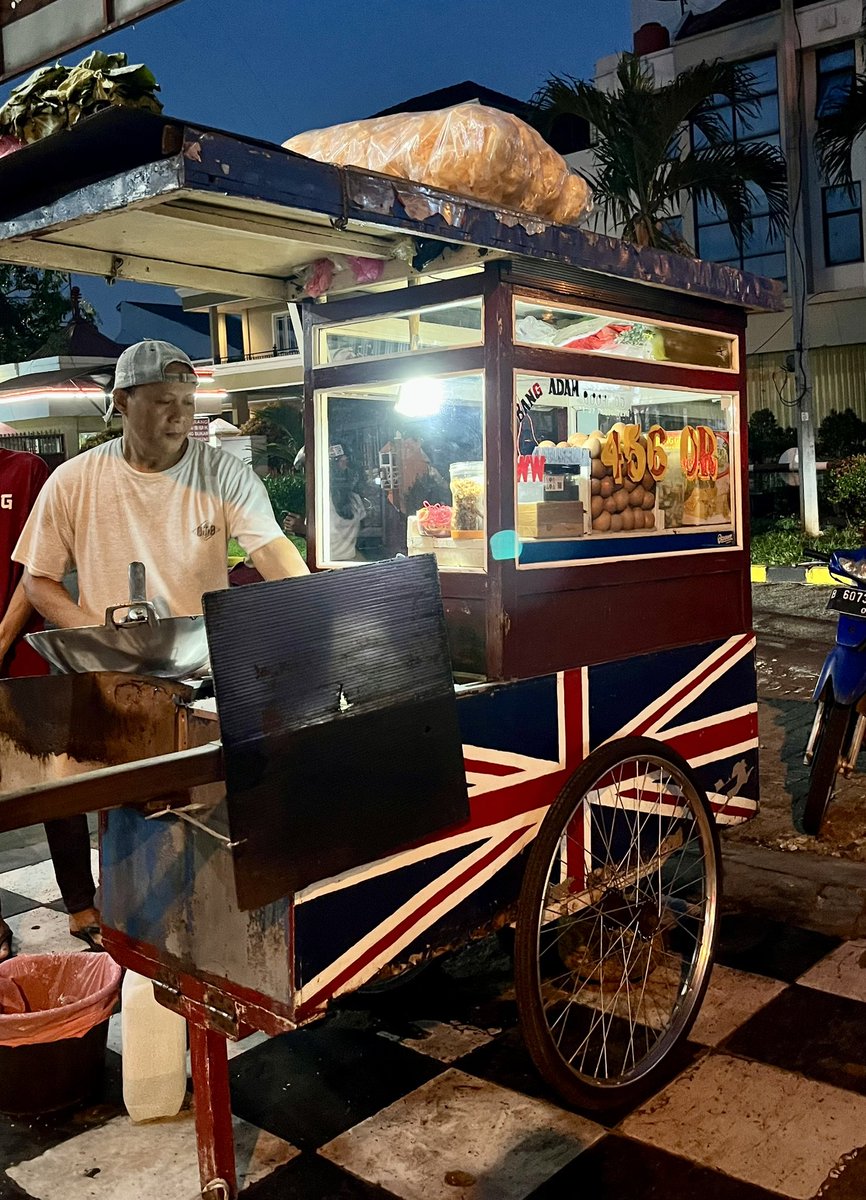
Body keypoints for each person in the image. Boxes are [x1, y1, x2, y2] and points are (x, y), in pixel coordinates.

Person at [13, 339, 309, 940]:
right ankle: (122, 925)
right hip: (107, 674)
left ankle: (206, 925)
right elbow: (38, 583)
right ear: (122, 402)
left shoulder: (221, 471)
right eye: (162, 401)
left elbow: (272, 551)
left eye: (186, 401)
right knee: (110, 806)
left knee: (201, 804)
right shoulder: (75, 481)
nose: (179, 415)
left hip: (196, 671)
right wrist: (93, 632)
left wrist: (316, 607)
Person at [0, 446, 99, 958]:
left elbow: (35, 570)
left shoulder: (26, 470)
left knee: (55, 778)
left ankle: (81, 903)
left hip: (24, 654)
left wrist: (2, 638)